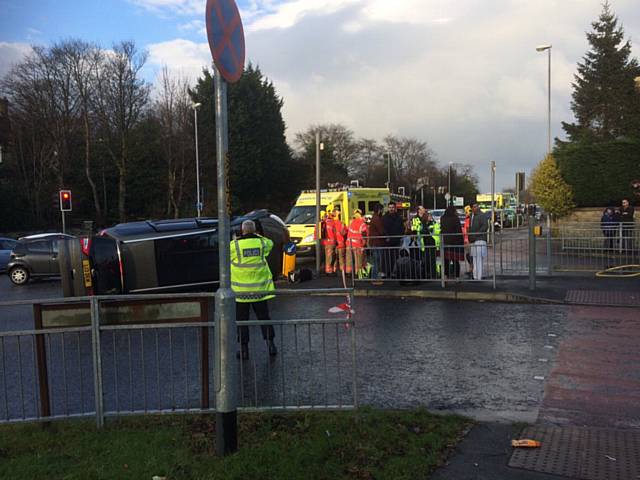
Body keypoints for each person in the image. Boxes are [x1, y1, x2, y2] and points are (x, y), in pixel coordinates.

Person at [230, 219, 277, 360]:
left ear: (242, 230)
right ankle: (271, 345)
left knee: (242, 321)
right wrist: (257, 235)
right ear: (255, 231)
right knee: (264, 318)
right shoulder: (262, 243)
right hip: (259, 290)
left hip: (241, 292)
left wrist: (238, 238)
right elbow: (270, 243)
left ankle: (243, 350)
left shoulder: (234, 246)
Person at [440, 205, 464, 278]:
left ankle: (445, 276)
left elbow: (442, 229)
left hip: (446, 242)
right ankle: (457, 277)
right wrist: (461, 242)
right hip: (455, 242)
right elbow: (459, 230)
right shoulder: (455, 218)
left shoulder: (442, 218)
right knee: (455, 261)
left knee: (446, 261)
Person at [468, 203, 489, 280]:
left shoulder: (482, 215)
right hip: (473, 240)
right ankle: (475, 276)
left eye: (476, 206)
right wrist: (470, 236)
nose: (475, 208)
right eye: (473, 207)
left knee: (479, 259)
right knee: (474, 258)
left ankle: (479, 276)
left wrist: (476, 234)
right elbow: (470, 227)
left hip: (480, 239)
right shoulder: (471, 216)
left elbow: (485, 226)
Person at [382, 202, 405, 276]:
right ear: (388, 208)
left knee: (395, 257)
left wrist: (400, 237)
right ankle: (386, 272)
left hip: (396, 240)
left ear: (395, 208)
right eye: (390, 207)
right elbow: (383, 229)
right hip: (387, 241)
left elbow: (402, 228)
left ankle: (394, 272)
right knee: (387, 257)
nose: (391, 209)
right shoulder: (384, 217)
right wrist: (386, 236)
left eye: (392, 207)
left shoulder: (399, 218)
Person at [345, 209, 368, 275]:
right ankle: (358, 273)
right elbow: (365, 234)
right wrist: (364, 244)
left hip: (349, 243)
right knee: (359, 260)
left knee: (349, 259)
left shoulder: (351, 222)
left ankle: (349, 273)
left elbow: (347, 231)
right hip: (358, 244)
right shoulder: (362, 223)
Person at [367, 203, 386, 279]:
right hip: (377, 242)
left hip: (374, 242)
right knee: (377, 261)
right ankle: (375, 278)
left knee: (376, 261)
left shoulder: (374, 218)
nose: (382, 211)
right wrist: (386, 236)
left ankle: (374, 277)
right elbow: (381, 230)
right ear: (379, 210)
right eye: (382, 210)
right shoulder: (377, 219)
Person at [322, 204, 337, 274]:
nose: (336, 212)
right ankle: (329, 271)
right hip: (330, 243)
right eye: (334, 211)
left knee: (330, 257)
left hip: (329, 242)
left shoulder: (328, 221)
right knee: (330, 258)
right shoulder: (330, 222)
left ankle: (330, 270)